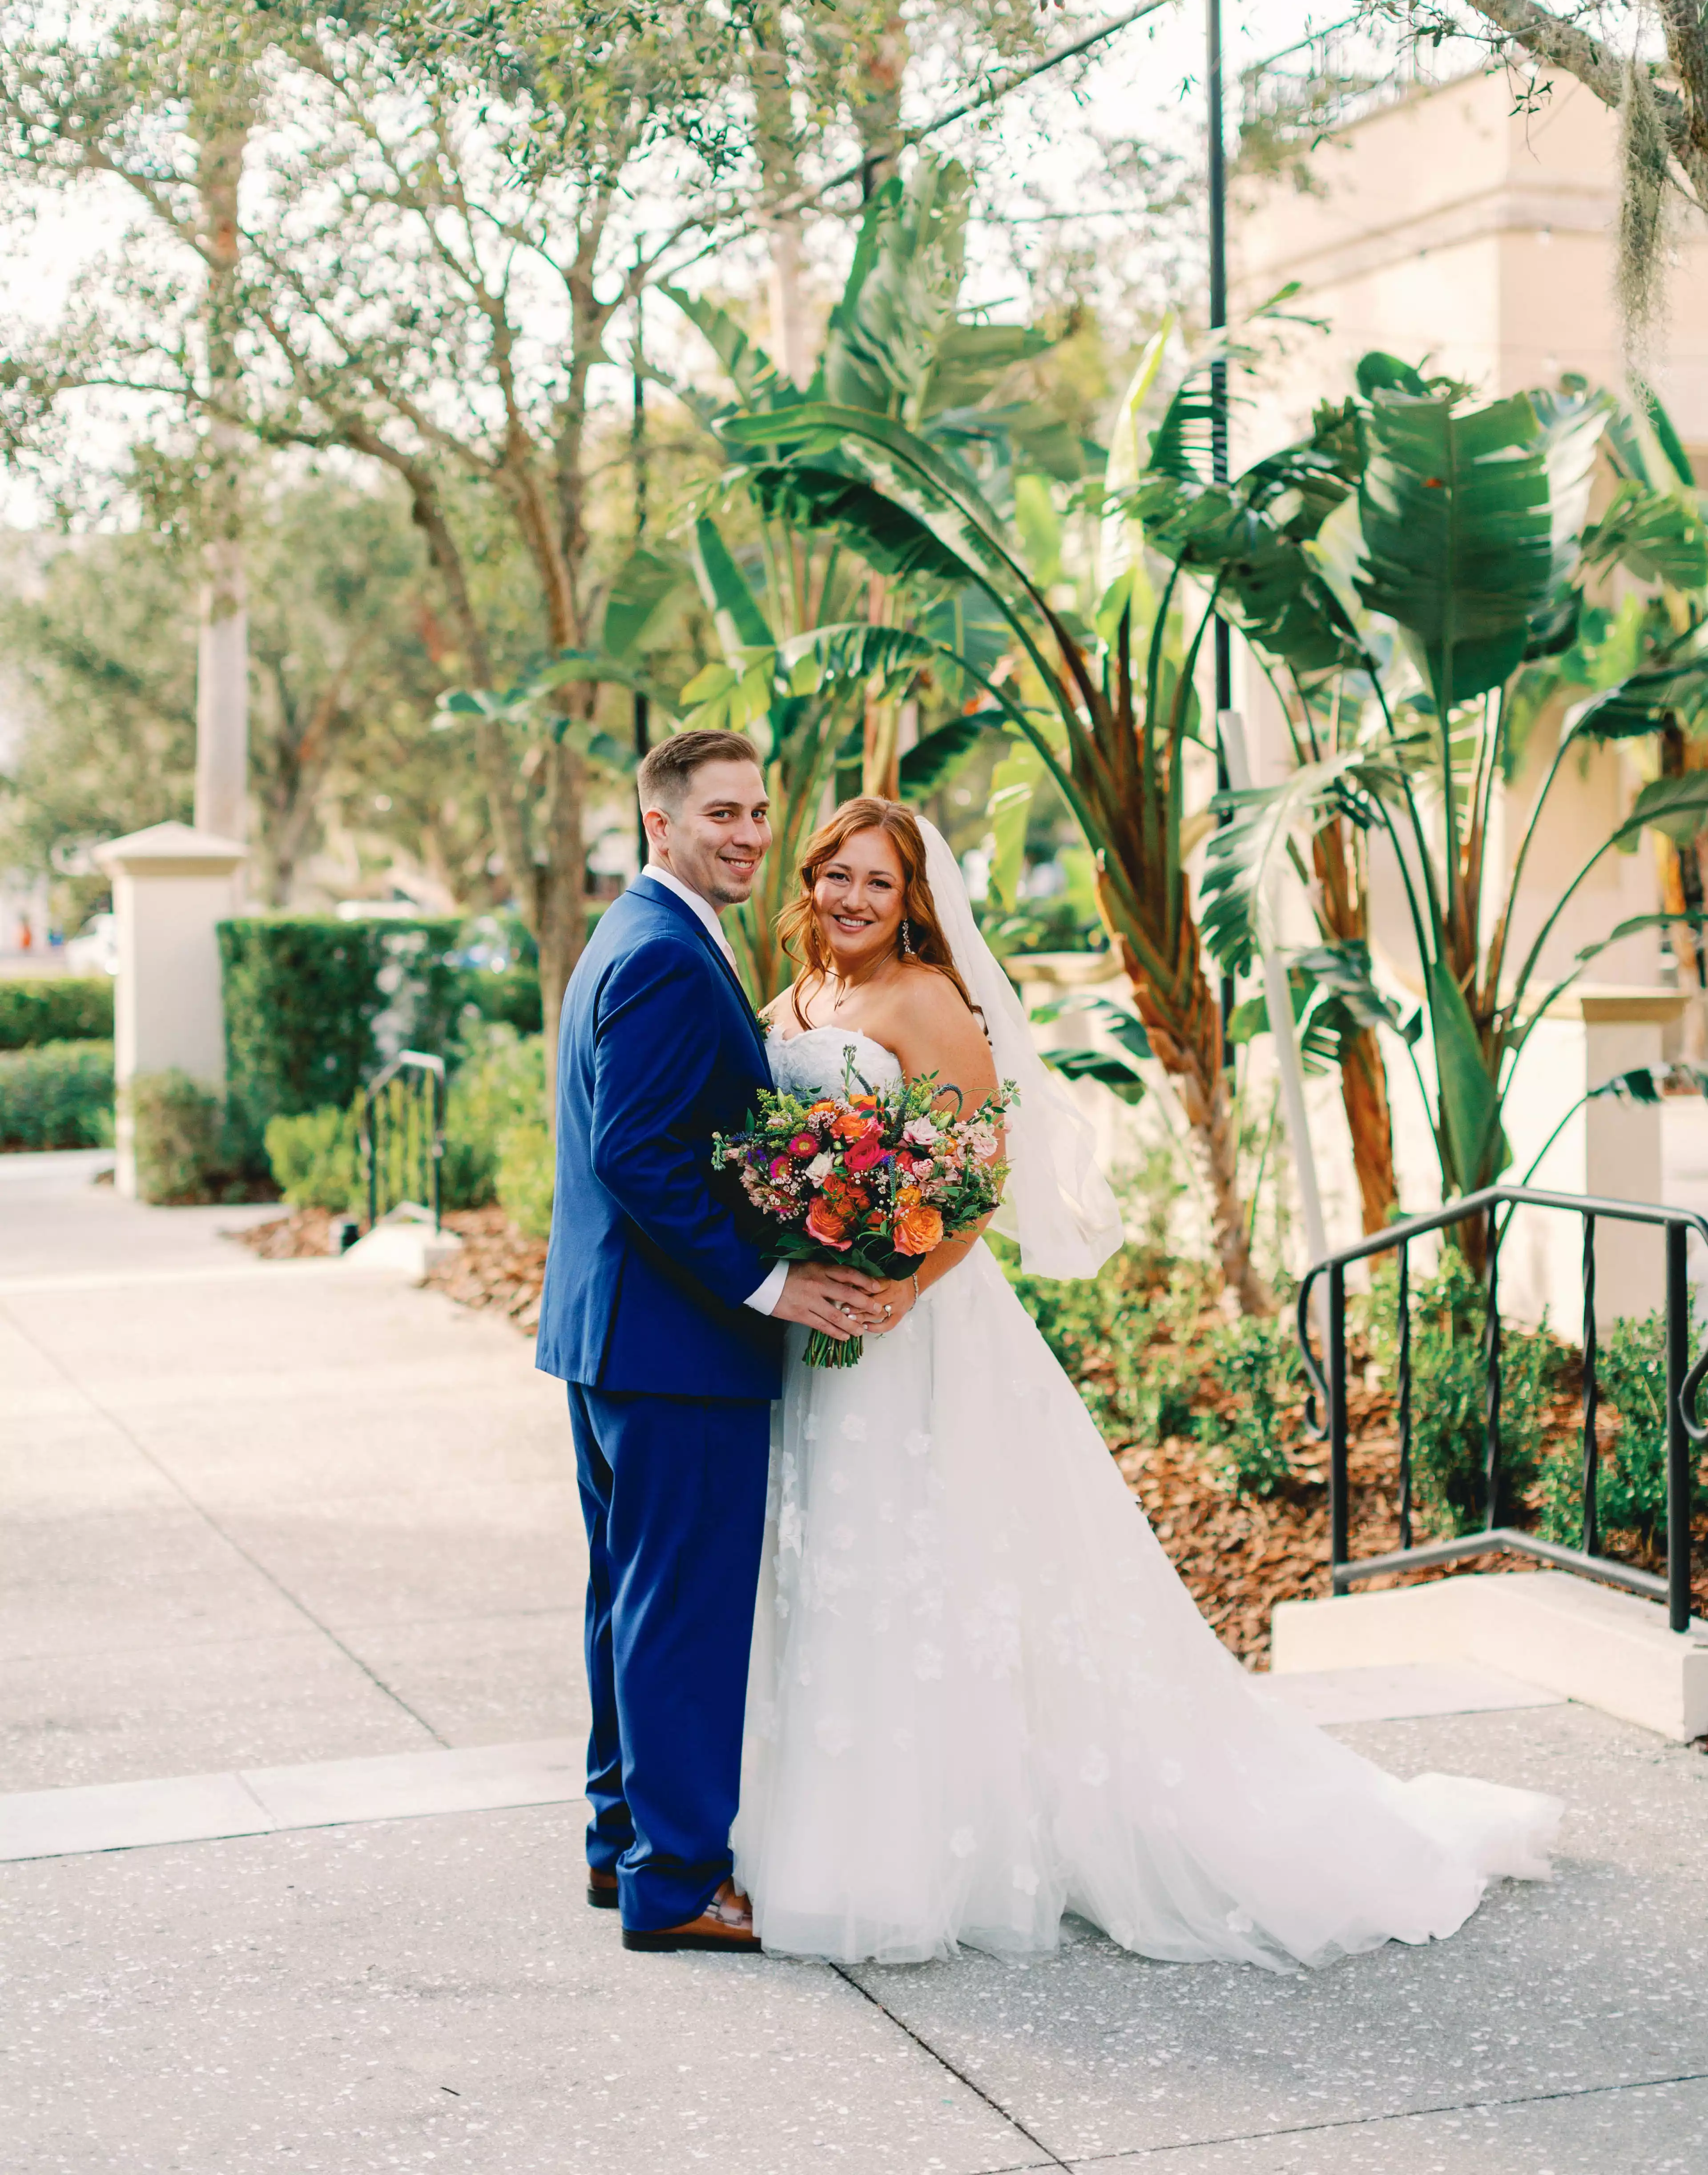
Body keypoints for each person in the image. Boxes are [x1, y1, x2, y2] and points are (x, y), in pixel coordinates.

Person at [731, 798, 1562, 1968]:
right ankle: (838, 1839)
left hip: (913, 1326)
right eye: (836, 876)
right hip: (817, 1322)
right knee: (836, 1566)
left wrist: (900, 1286)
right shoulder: (796, 1002)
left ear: (912, 897)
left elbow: (976, 1177)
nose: (853, 899)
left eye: (879, 881)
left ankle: (926, 1857)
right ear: (809, 882)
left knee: (929, 1565)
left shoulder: (926, 1000)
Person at [536, 733, 902, 1954]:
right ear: (660, 822)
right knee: (680, 1617)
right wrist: (769, 1281)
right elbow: (634, 1153)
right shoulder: (664, 955)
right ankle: (678, 1880)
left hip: (619, 1344)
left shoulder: (646, 934)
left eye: (757, 811)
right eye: (721, 814)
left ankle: (619, 1847)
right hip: (674, 1347)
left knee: (630, 1605)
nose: (748, 832)